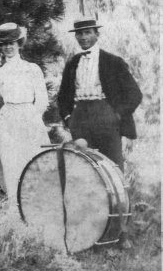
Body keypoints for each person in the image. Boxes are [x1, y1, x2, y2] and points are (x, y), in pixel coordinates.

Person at [57, 18, 142, 168]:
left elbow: (134, 94)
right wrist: (69, 118)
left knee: (112, 166)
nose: (83, 37)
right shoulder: (72, 63)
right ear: (76, 36)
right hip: (79, 120)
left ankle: (116, 192)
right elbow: (62, 97)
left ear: (97, 34)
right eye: (79, 34)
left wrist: (117, 115)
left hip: (106, 119)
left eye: (87, 32)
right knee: (83, 167)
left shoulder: (113, 62)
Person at [0, 23, 50, 207]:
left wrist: (31, 119)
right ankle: (16, 210)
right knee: (11, 164)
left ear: (19, 44)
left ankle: (38, 208)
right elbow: (3, 97)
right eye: (4, 44)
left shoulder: (32, 69)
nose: (8, 47)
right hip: (8, 120)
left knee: (34, 162)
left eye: (12, 43)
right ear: (0, 47)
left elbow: (42, 100)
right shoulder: (0, 72)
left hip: (29, 118)